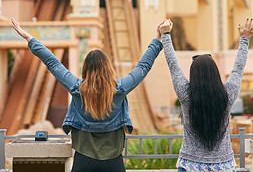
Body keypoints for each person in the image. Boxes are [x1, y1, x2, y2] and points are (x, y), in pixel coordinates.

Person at [11, 18, 164, 172]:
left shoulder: (77, 89)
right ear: (108, 68)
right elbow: (144, 66)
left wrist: (29, 38)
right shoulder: (120, 89)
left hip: (83, 159)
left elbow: (53, 63)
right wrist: (158, 37)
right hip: (113, 160)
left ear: (85, 69)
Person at [158, 17, 253, 172]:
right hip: (223, 165)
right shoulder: (227, 96)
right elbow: (238, 69)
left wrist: (165, 35)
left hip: (189, 164)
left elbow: (173, 65)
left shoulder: (186, 94)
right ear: (215, 73)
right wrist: (244, 39)